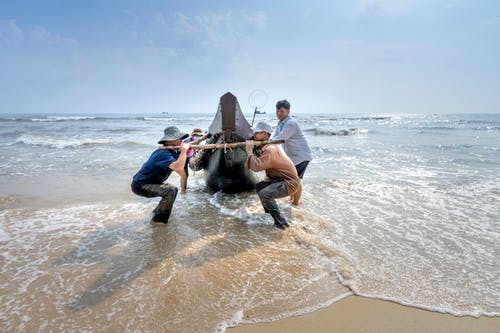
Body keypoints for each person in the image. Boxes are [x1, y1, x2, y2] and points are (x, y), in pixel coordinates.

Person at [246, 122, 302, 229]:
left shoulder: (270, 149)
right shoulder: (267, 147)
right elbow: (248, 165)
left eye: (256, 132)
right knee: (259, 187)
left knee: (265, 193)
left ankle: (281, 223)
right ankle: (269, 213)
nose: (254, 134)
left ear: (265, 135)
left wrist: (249, 153)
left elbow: (257, 167)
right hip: (279, 179)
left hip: (289, 183)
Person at [131, 126, 190, 224]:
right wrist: (184, 150)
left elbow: (182, 162)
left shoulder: (172, 152)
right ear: (169, 141)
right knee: (170, 190)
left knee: (172, 189)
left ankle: (157, 212)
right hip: (141, 185)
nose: (181, 140)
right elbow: (179, 168)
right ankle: (157, 221)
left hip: (150, 182)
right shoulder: (163, 153)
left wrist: (185, 149)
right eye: (178, 138)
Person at [271, 99, 312, 179]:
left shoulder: (291, 124)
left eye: (282, 111)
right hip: (293, 158)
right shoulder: (280, 123)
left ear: (288, 111)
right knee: (291, 180)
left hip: (301, 157)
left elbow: (278, 139)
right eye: (277, 111)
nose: (279, 113)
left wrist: (264, 144)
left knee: (292, 180)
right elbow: (273, 138)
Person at [180, 128, 205, 193]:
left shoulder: (197, 141)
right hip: (183, 157)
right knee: (184, 175)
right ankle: (183, 191)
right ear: (193, 135)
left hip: (188, 156)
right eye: (196, 135)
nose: (198, 137)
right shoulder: (187, 140)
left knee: (185, 175)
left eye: (199, 136)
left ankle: (184, 190)